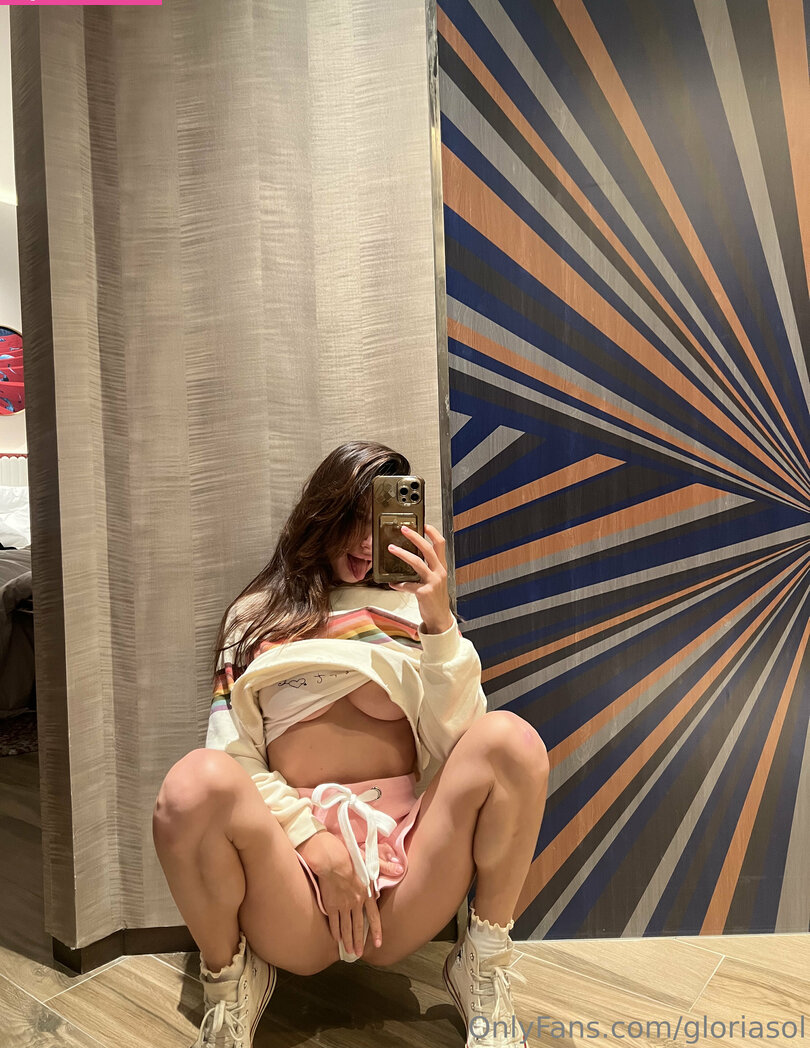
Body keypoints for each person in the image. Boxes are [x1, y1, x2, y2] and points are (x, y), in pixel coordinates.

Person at [152, 441, 549, 1048]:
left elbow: (457, 741)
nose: (366, 542)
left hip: (406, 867)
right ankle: (229, 982)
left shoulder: (412, 613)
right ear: (322, 513)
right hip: (294, 873)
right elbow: (233, 753)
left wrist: (439, 622)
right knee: (190, 786)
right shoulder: (257, 618)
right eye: (352, 520)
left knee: (511, 741)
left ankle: (482, 965)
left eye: (381, 519)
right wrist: (314, 843)